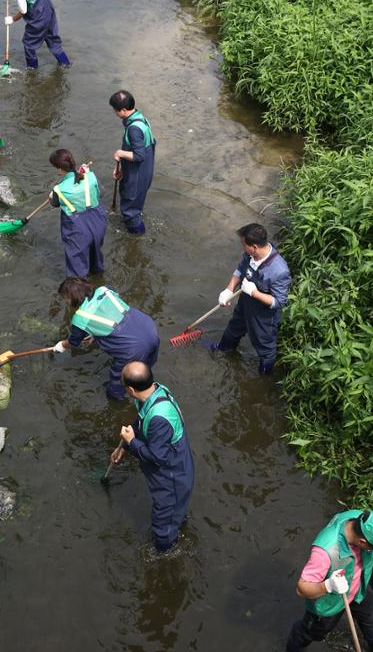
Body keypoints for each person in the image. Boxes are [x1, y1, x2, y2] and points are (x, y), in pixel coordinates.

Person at [110, 362, 194, 553]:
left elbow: (158, 458)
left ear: (130, 389)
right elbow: (140, 421)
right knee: (175, 514)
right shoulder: (155, 391)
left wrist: (132, 442)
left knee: (162, 526)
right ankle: (178, 521)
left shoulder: (159, 418)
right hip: (174, 468)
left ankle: (166, 554)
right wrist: (124, 446)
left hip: (172, 478)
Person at [286, 509, 373, 652]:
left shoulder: (360, 519)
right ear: (362, 542)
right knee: (309, 633)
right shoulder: (324, 552)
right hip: (330, 602)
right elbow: (301, 589)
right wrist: (328, 586)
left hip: (359, 590)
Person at [54, 277, 160, 400]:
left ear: (70, 297)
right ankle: (149, 388)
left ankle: (117, 403)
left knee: (118, 383)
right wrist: (94, 333)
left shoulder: (80, 318)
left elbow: (73, 342)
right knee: (145, 371)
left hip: (131, 348)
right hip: (148, 328)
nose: (66, 301)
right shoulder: (104, 290)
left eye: (65, 298)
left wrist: (61, 345)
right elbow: (112, 313)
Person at [211, 222, 291, 374]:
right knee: (232, 331)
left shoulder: (279, 271)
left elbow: (279, 302)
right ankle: (222, 351)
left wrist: (254, 293)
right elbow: (240, 270)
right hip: (244, 305)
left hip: (263, 317)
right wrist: (229, 289)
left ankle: (265, 376)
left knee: (265, 348)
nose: (242, 247)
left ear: (254, 246)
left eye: (243, 244)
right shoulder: (250, 255)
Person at [49, 150, 107, 277]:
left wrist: (51, 196)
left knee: (77, 271)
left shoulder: (58, 189)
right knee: (96, 258)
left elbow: (54, 203)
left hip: (77, 230)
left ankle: (80, 293)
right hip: (98, 222)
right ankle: (99, 279)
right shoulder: (90, 176)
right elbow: (101, 193)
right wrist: (86, 173)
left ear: (59, 169)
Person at [109, 90, 156, 235]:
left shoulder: (134, 129)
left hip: (137, 177)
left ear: (124, 110)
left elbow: (139, 155)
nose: (115, 113)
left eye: (115, 110)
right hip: (142, 172)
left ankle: (137, 238)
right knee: (133, 205)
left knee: (130, 211)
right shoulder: (141, 119)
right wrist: (123, 168)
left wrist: (120, 153)